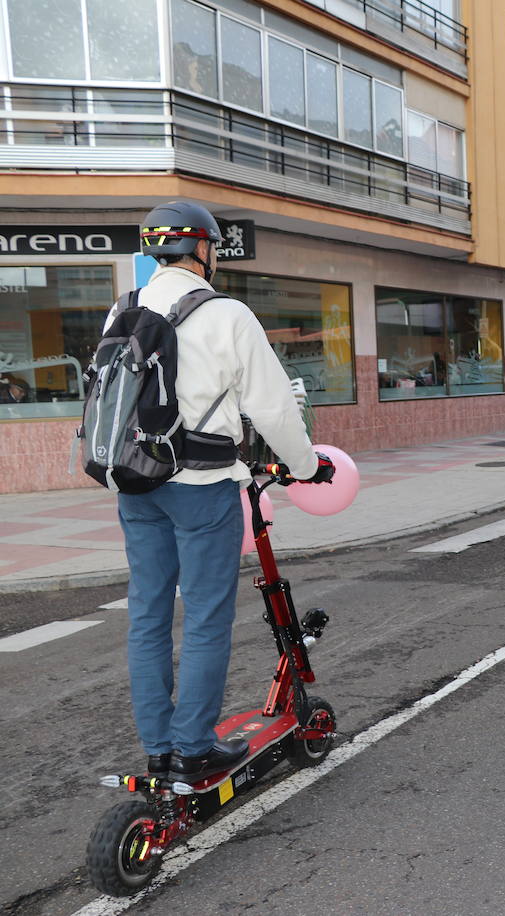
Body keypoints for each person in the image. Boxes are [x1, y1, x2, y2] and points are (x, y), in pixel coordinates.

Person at [117, 201, 328, 782]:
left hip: (136, 484)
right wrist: (307, 467)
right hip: (201, 486)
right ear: (203, 251)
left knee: (149, 616)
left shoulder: (125, 308)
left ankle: (159, 748)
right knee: (207, 618)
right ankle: (194, 747)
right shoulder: (226, 313)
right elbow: (274, 407)